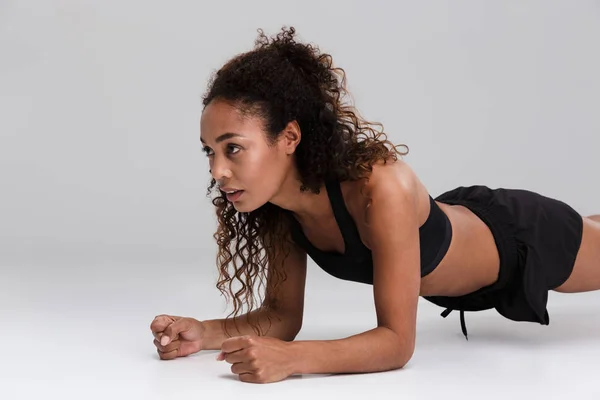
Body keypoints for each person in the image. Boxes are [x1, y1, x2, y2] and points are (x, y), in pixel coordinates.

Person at [149, 26, 600, 384]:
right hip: (464, 239)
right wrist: (203, 333)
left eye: (232, 148)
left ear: (288, 137)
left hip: (522, 240)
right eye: (209, 151)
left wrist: (293, 360)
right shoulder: (280, 206)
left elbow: (396, 343)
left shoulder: (381, 189)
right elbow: (281, 317)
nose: (217, 171)